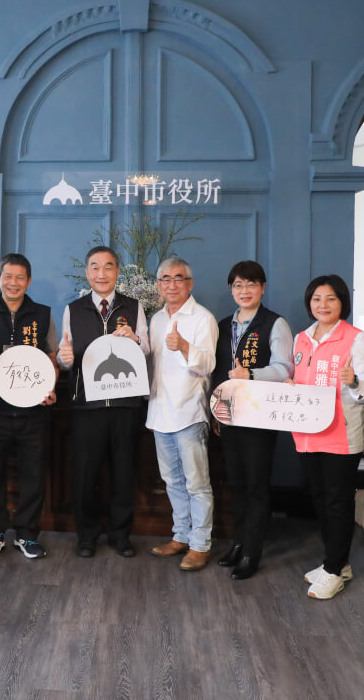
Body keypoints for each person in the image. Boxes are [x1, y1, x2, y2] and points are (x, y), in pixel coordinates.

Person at [57, 246, 150, 558]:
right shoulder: (74, 309)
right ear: (87, 273)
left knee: (124, 472)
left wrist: (135, 339)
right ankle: (87, 536)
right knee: (86, 473)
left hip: (126, 404)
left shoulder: (133, 307)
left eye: (108, 267)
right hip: (87, 405)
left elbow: (147, 350)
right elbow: (66, 357)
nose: (101, 273)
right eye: (95, 267)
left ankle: (121, 535)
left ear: (117, 272)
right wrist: (63, 358)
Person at [290, 275, 364, 600]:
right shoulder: (301, 338)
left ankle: (333, 569)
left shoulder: (357, 339)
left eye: (330, 299)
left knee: (338, 502)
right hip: (307, 433)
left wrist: (354, 382)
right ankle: (338, 563)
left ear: (342, 303)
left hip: (342, 434)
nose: (322, 305)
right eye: (316, 299)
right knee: (321, 499)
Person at [209, 260, 294, 580]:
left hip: (260, 416)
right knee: (237, 483)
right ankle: (239, 542)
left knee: (256, 484)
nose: (244, 290)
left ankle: (252, 552)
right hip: (230, 415)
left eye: (251, 284)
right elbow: (218, 372)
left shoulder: (275, 323)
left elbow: (284, 369)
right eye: (238, 285)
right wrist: (216, 411)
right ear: (231, 289)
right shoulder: (222, 325)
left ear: (263, 288)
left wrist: (252, 374)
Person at [0, 254, 58, 562]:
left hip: (33, 413)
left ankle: (27, 534)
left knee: (33, 475)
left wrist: (50, 387)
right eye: (8, 276)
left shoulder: (43, 315)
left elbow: (51, 358)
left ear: (28, 281)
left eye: (20, 277)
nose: (13, 282)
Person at [145, 258, 218, 571]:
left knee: (197, 483)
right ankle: (181, 536)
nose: (171, 285)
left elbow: (209, 365)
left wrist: (185, 346)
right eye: (165, 279)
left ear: (190, 283)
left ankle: (200, 545)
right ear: (158, 285)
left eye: (178, 278)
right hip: (160, 411)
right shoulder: (156, 319)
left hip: (189, 412)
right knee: (172, 481)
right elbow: (151, 365)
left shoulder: (203, 318)